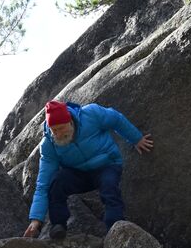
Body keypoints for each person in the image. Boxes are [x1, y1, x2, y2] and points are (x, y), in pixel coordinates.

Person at [22, 99, 153, 239]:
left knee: (109, 185)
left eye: (61, 128)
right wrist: (36, 220)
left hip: (106, 164)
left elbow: (116, 119)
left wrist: (136, 139)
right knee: (56, 181)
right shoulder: (49, 144)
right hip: (79, 175)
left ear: (70, 121)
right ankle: (58, 226)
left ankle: (116, 229)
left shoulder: (91, 114)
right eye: (55, 130)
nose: (58, 134)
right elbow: (43, 183)